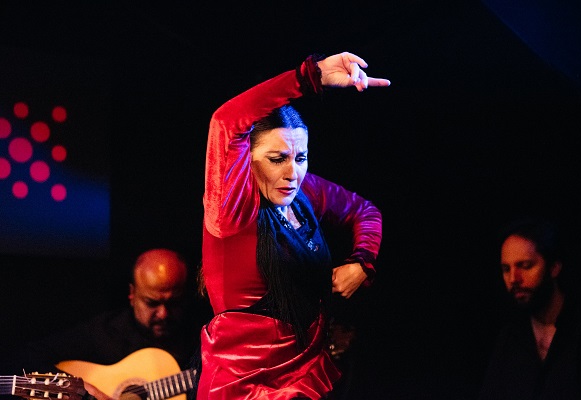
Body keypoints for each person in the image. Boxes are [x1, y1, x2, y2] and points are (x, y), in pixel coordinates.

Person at [198, 51, 389, 400]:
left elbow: (365, 211)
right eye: (277, 159)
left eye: (300, 158)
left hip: (305, 373)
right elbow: (225, 119)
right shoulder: (231, 209)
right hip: (249, 389)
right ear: (245, 162)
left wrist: (363, 261)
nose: (292, 173)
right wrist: (309, 76)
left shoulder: (302, 191)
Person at [22, 248, 203, 399]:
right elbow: (25, 357)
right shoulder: (103, 332)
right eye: (151, 303)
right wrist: (79, 388)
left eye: (174, 303)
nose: (163, 314)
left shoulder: (201, 337)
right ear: (132, 294)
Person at [478, 216, 581, 399]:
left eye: (525, 266)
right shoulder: (510, 338)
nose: (513, 279)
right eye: (506, 269)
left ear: (554, 268)